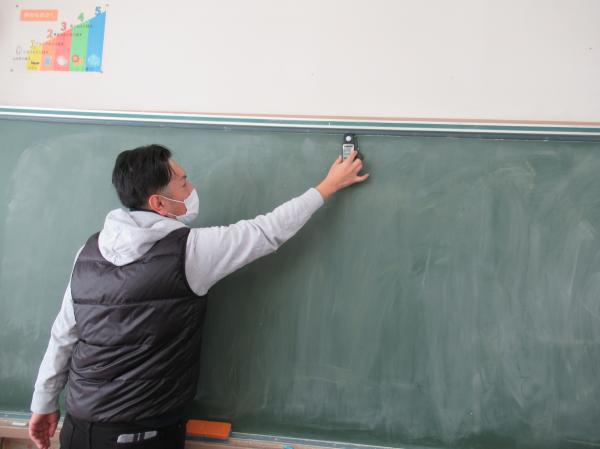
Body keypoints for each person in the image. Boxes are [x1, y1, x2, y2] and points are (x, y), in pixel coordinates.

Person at [28, 144, 369, 449]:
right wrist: (328, 186)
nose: (191, 188)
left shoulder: (87, 252)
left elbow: (63, 335)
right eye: (183, 183)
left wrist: (43, 402)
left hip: (79, 429)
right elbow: (267, 231)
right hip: (143, 436)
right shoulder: (189, 253)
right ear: (159, 203)